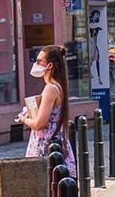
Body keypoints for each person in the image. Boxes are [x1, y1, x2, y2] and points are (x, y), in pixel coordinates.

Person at [19, 45, 76, 178]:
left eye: (39, 61)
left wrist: (23, 119)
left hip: (45, 144)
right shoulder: (59, 87)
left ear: (49, 66)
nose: (36, 64)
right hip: (56, 141)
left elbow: (40, 123)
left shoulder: (50, 89)